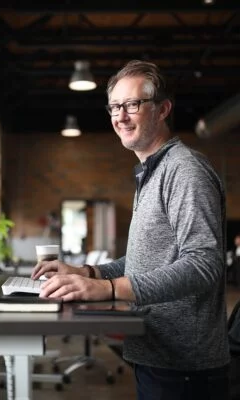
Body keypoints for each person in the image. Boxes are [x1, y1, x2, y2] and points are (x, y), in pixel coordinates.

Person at [32, 60, 230, 399]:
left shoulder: (184, 170)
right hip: (158, 354)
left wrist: (109, 289)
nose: (120, 116)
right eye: (114, 107)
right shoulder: (152, 173)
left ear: (163, 109)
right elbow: (145, 261)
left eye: (132, 105)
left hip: (185, 366)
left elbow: (204, 264)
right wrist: (88, 272)